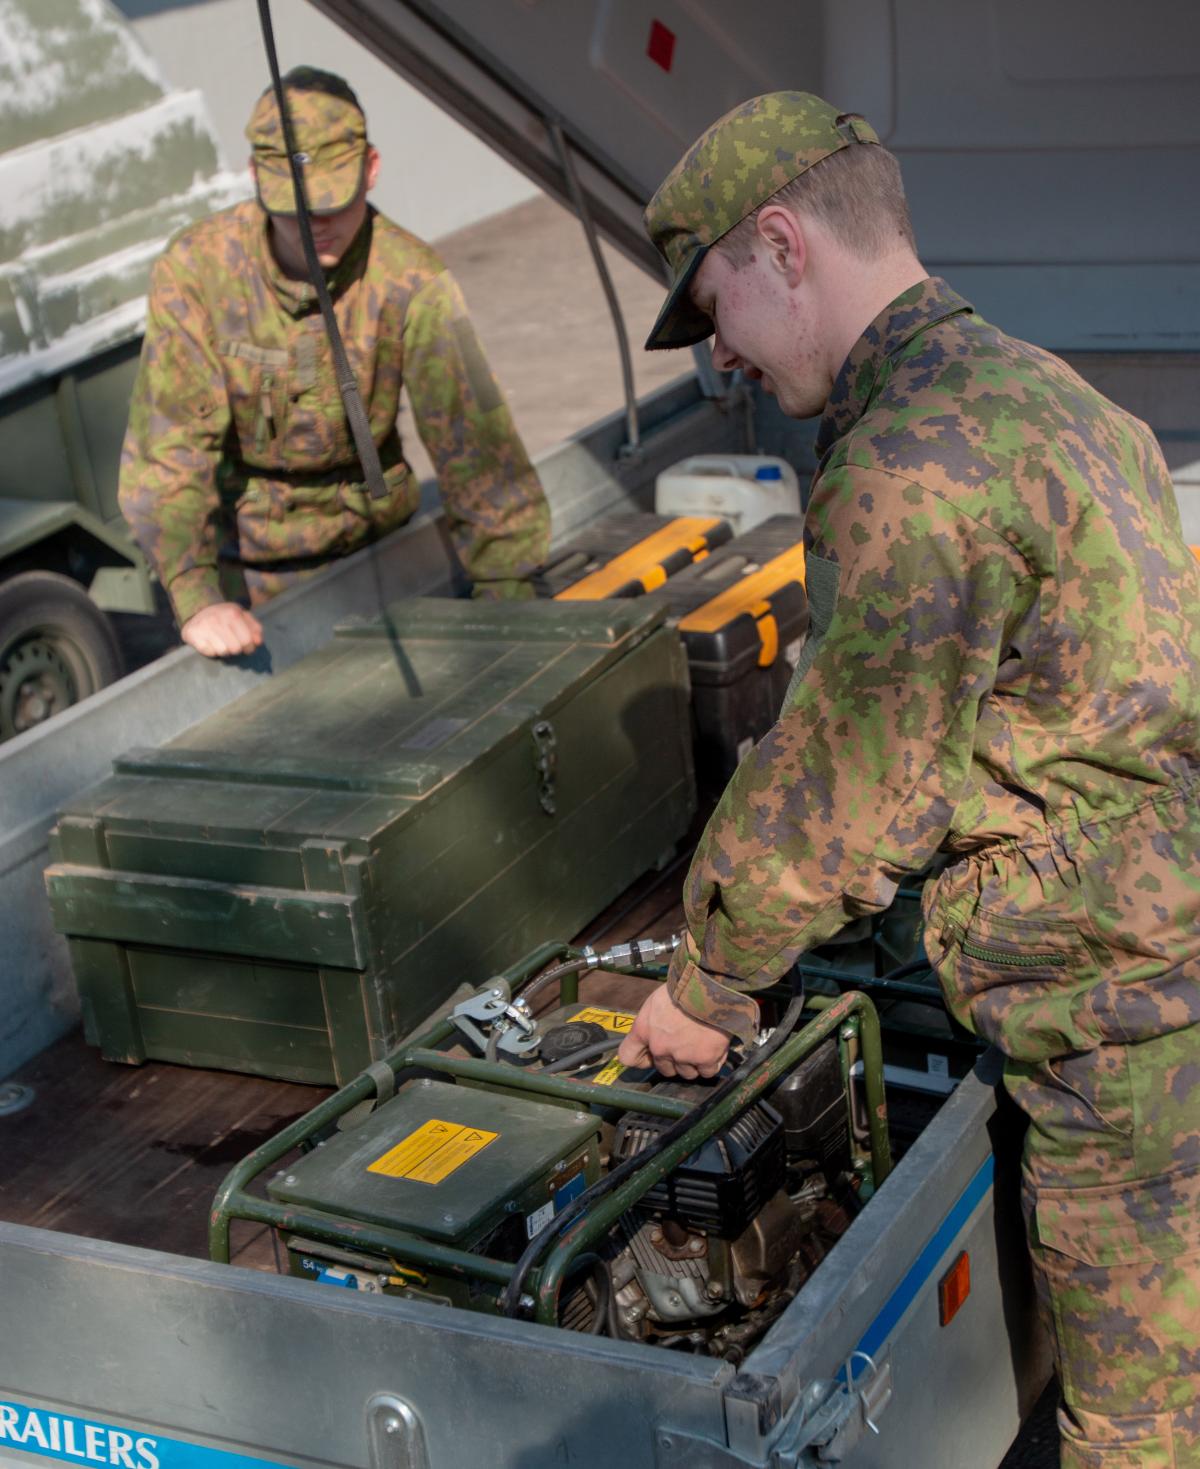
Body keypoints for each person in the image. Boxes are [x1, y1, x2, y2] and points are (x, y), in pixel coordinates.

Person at [617, 91, 1200, 1468]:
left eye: (719, 312)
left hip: (1111, 1017)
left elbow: (850, 780)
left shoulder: (907, 461)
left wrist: (711, 982)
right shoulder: (1052, 392)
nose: (728, 363)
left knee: (1140, 1430)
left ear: (783, 245)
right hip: (1158, 951)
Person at [119, 67, 550, 659]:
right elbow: (169, 451)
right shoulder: (198, 272)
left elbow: (477, 449)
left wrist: (509, 600)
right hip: (246, 582)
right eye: (294, 207)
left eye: (333, 199)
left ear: (371, 169)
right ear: (255, 179)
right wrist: (197, 596)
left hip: (381, 558)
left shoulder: (412, 280)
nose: (316, 223)